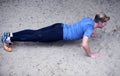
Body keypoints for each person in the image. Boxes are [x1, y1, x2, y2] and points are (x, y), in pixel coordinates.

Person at [1, 12, 110, 58]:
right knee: (35, 37)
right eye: (104, 23)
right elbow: (84, 44)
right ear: (99, 22)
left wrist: (90, 34)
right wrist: (90, 54)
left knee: (35, 32)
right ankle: (8, 39)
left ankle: (10, 34)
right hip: (58, 33)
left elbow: (81, 27)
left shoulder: (89, 20)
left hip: (59, 26)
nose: (105, 25)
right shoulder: (90, 28)